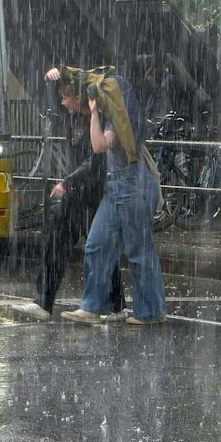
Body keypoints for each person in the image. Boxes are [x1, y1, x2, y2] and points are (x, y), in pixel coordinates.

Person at [16, 66, 122, 321]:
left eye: (66, 97)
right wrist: (51, 77)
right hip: (76, 191)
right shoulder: (71, 116)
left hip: (94, 193)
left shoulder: (97, 118)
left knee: (98, 249)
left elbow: (95, 161)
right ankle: (43, 301)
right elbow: (53, 103)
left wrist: (67, 181)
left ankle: (116, 304)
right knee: (56, 242)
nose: (62, 102)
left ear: (79, 98)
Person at [62, 68, 166, 325]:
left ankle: (151, 312)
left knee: (139, 252)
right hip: (115, 186)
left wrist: (94, 112)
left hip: (132, 186)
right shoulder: (114, 115)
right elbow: (79, 73)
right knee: (96, 245)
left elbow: (98, 145)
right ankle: (92, 307)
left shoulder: (119, 120)